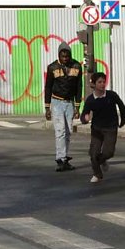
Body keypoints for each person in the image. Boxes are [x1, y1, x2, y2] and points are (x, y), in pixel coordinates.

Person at [80, 72, 125, 184]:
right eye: (99, 82)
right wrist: (85, 119)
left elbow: (121, 106)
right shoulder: (91, 100)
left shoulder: (111, 95)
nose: (102, 84)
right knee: (93, 153)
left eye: (103, 82)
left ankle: (103, 160)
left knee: (108, 152)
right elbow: (84, 115)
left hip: (111, 127)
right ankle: (97, 174)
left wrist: (123, 119)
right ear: (94, 84)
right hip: (97, 129)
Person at [44, 41, 82, 172]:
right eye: (62, 56)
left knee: (68, 131)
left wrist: (77, 107)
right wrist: (47, 108)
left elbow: (78, 87)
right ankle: (60, 158)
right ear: (59, 55)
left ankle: (65, 157)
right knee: (60, 131)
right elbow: (48, 87)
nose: (65, 59)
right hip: (56, 103)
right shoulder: (52, 68)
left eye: (67, 56)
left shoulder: (76, 66)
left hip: (70, 103)